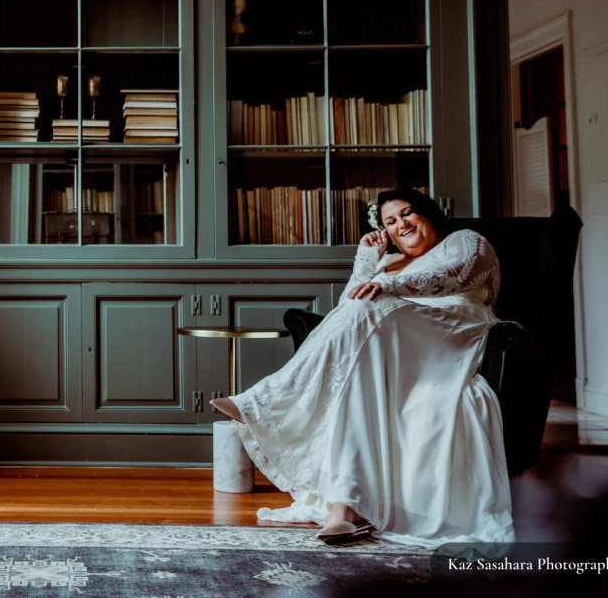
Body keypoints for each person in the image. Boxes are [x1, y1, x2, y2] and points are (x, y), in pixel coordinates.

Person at [211, 188, 514, 547]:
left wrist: (387, 285)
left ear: (428, 213)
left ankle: (271, 401)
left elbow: (458, 275)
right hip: (392, 344)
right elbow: (346, 310)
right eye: (391, 221)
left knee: (371, 311)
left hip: (451, 330)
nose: (401, 224)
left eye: (407, 213)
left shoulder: (464, 241)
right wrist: (366, 259)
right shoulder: (388, 263)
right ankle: (344, 510)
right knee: (358, 373)